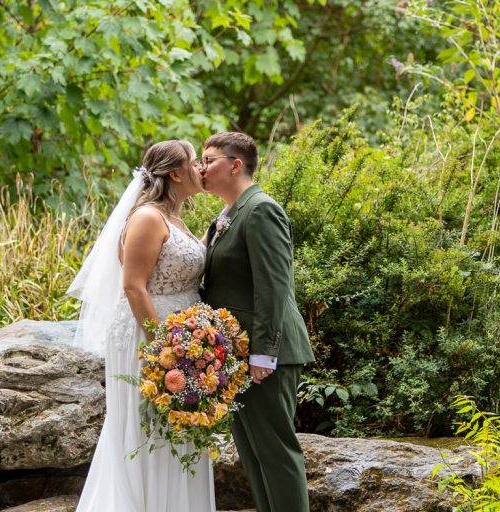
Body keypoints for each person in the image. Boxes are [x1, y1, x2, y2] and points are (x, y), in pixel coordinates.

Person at [66, 140, 215, 512]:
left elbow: (177, 265)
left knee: (179, 424)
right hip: (148, 333)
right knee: (147, 425)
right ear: (175, 173)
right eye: (195, 162)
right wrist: (163, 346)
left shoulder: (174, 219)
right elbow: (133, 285)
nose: (200, 169)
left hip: (182, 335)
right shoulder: (147, 216)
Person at [199, 131, 315, 512]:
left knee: (276, 454)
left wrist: (264, 353)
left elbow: (273, 287)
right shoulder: (228, 214)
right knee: (253, 455)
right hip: (236, 354)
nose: (201, 167)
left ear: (235, 165)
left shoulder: (262, 209)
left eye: (208, 159)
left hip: (266, 355)